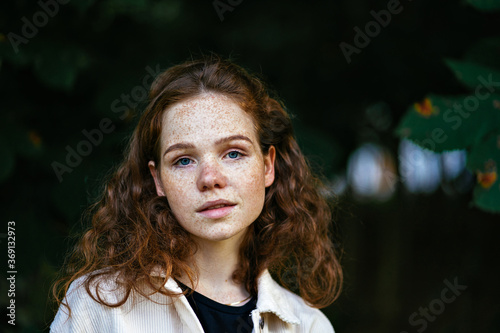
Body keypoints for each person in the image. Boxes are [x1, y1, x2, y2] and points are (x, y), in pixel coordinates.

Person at [50, 54, 343, 333]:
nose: (210, 179)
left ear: (267, 166)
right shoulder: (100, 307)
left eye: (233, 153)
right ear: (158, 179)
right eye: (184, 160)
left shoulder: (308, 326)